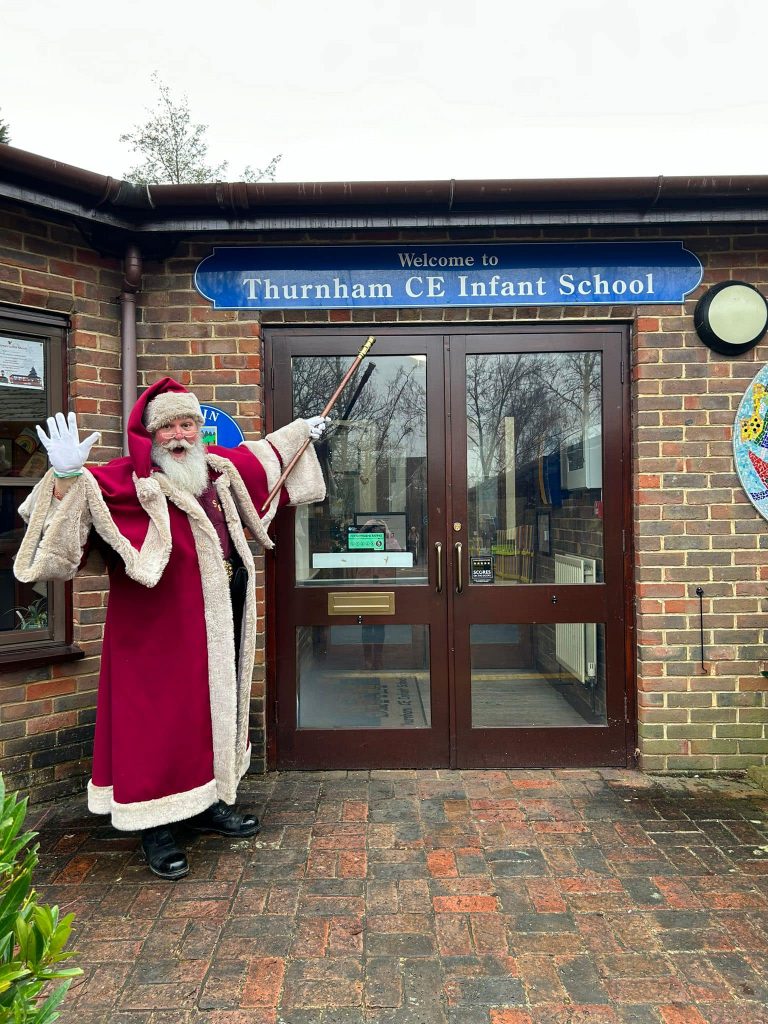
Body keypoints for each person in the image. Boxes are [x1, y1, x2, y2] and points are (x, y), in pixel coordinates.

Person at [14, 377, 327, 880]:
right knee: (155, 724)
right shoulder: (123, 482)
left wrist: (302, 432)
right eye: (168, 427)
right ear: (150, 434)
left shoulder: (215, 470)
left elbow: (262, 458)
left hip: (216, 619)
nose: (180, 435)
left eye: (188, 424)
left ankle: (207, 803)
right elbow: (60, 537)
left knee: (207, 713)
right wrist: (67, 476)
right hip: (152, 634)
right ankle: (155, 824)